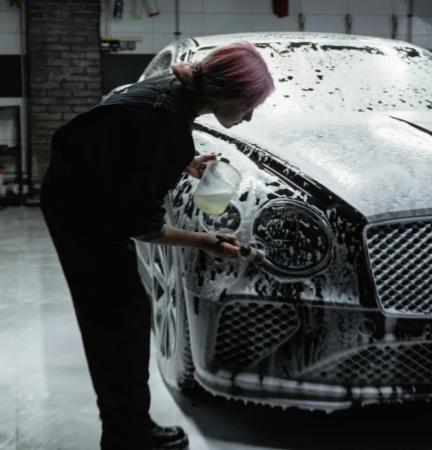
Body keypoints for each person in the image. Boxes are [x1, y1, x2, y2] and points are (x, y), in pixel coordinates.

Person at [39, 40, 274, 449]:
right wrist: (205, 241)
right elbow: (144, 227)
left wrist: (177, 162)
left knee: (122, 314)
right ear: (220, 93)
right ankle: (126, 434)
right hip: (82, 210)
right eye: (247, 105)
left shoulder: (174, 90)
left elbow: (126, 137)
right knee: (119, 323)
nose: (249, 116)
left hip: (76, 185)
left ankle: (125, 425)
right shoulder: (165, 124)